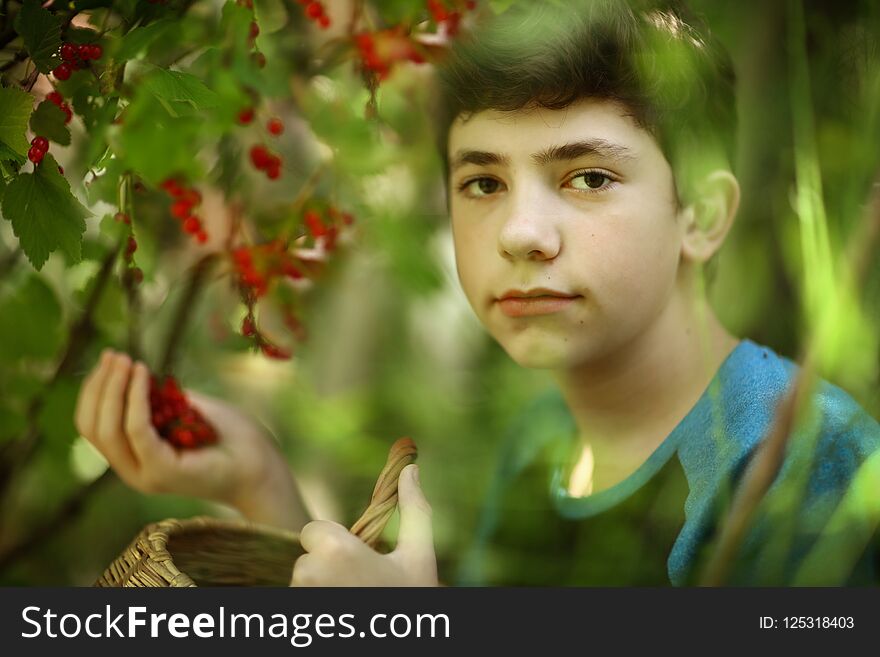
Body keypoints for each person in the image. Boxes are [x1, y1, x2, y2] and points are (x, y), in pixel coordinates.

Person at [74, 0, 880, 586]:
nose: (521, 233)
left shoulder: (793, 465)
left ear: (701, 215)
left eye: (588, 176)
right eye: (484, 180)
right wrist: (258, 478)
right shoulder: (545, 444)